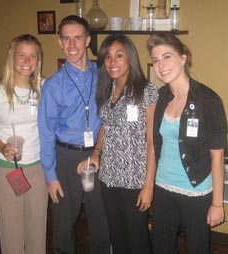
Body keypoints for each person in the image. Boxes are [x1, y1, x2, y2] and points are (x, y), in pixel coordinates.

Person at [146, 32, 228, 254]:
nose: (161, 65)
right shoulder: (160, 97)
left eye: (167, 57)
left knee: (197, 249)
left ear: (183, 57)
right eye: (156, 60)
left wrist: (217, 203)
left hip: (196, 191)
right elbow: (154, 144)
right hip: (163, 188)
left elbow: (217, 157)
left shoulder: (209, 100)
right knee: (161, 247)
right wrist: (150, 185)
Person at [78, 33, 159, 254]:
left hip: (135, 180)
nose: (112, 62)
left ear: (130, 57)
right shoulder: (107, 89)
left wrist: (148, 186)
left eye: (119, 55)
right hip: (108, 178)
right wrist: (96, 153)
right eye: (108, 57)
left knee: (137, 239)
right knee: (117, 236)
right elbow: (106, 125)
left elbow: (152, 142)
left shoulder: (147, 91)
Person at [37, 15, 110, 254]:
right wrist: (50, 175)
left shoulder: (103, 75)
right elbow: (46, 133)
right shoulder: (53, 85)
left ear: (88, 40)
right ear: (59, 42)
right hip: (66, 158)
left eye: (77, 38)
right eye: (66, 39)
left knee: (102, 222)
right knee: (63, 224)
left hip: (98, 154)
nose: (72, 45)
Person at [0, 34, 48, 253]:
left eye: (33, 56)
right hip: (9, 170)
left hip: (38, 167)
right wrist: (1, 147)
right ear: (12, 57)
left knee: (37, 232)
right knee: (11, 235)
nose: (27, 61)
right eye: (21, 55)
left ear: (39, 59)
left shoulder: (44, 88)